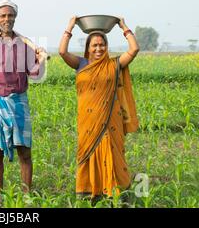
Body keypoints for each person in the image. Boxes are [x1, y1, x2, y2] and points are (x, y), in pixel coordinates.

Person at [58, 16, 140, 204]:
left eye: (102, 45)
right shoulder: (80, 64)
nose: (98, 49)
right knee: (87, 154)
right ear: (88, 48)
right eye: (94, 45)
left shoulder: (114, 64)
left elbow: (134, 49)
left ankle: (114, 194)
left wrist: (123, 26)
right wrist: (70, 26)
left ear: (106, 46)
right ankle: (90, 193)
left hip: (110, 122)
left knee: (112, 153)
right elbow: (62, 51)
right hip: (87, 122)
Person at [0, 0, 46, 206]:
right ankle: (0, 195)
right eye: (3, 15)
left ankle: (26, 194)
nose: (7, 19)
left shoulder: (25, 45)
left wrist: (40, 59)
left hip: (19, 102)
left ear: (15, 18)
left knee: (25, 150)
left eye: (10, 15)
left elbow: (34, 74)